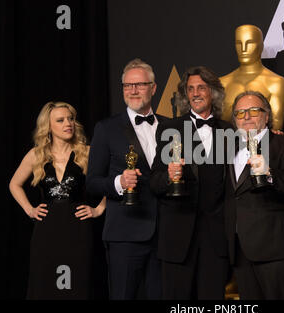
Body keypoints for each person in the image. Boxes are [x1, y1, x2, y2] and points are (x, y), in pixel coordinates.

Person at [86, 59, 167, 300]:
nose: (133, 90)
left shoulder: (171, 126)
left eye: (140, 84)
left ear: (153, 88)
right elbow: (92, 182)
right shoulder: (106, 129)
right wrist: (119, 183)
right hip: (125, 234)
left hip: (165, 234)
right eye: (127, 86)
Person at [9, 101, 106, 299]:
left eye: (70, 119)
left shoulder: (87, 152)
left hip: (78, 229)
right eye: (60, 120)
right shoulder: (37, 155)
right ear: (48, 127)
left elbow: (114, 182)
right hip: (47, 230)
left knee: (77, 285)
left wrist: (99, 208)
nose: (68, 123)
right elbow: (14, 184)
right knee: (46, 285)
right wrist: (29, 209)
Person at [150, 66, 231, 299]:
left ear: (213, 92)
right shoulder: (170, 129)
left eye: (201, 88)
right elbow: (154, 182)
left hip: (216, 240)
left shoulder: (229, 131)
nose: (196, 93)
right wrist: (169, 177)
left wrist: (275, 137)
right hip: (177, 238)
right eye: (191, 89)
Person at [224, 91, 284, 299]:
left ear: (267, 116)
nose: (247, 117)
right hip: (240, 250)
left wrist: (269, 174)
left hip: (275, 251)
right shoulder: (226, 148)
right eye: (240, 113)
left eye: (253, 111)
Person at [220, 24, 284, 130]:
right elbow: (218, 126)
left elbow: (275, 128)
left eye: (250, 43)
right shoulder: (222, 82)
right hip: (227, 144)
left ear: (261, 46)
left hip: (263, 145)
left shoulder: (276, 83)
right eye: (239, 43)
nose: (243, 49)